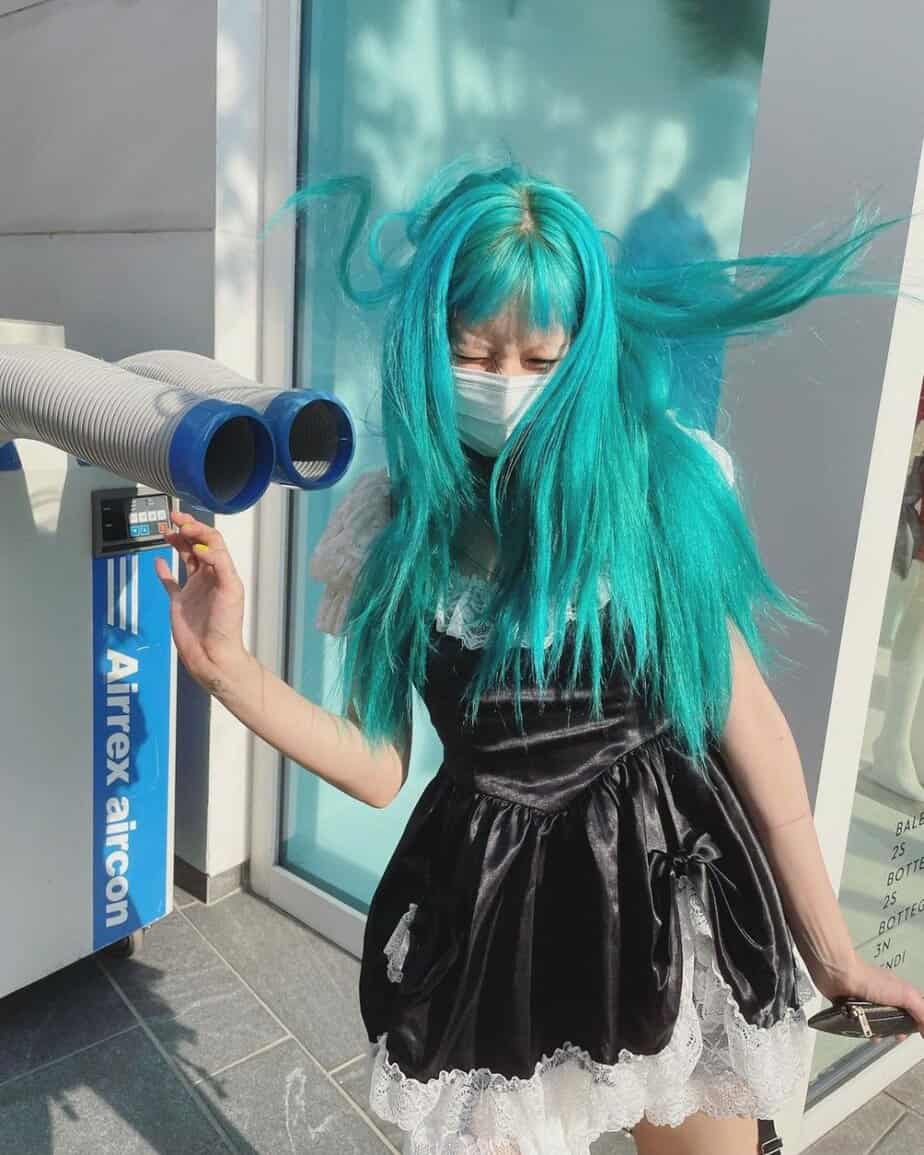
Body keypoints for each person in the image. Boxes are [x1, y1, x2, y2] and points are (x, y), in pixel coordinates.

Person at [154, 163, 924, 1155]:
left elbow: (753, 726)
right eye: (474, 351)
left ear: (581, 351)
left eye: (539, 355)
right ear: (426, 345)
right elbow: (380, 766)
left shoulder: (655, 490)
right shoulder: (395, 526)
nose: (506, 382)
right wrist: (228, 668)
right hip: (493, 914)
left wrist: (835, 954)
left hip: (661, 898)